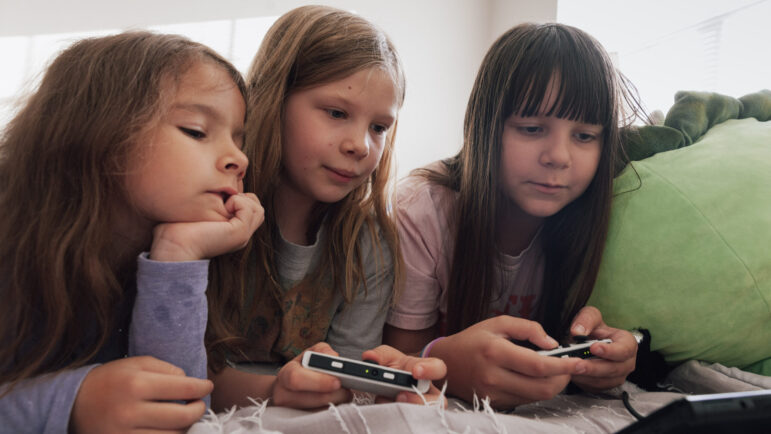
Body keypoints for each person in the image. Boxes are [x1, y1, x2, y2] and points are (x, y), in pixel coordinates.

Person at [0, 31, 264, 433]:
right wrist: (70, 403)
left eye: (237, 139)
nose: (239, 158)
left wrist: (178, 255)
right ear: (99, 132)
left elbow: (180, 407)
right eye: (196, 130)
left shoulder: (161, 250)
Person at [383, 23, 645, 410]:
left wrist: (603, 358)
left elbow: (578, 344)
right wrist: (448, 362)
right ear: (485, 127)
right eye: (532, 128)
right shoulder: (422, 209)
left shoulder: (598, 216)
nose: (558, 156)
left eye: (585, 136)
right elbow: (396, 359)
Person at [207, 5, 445, 411]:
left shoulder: (369, 243)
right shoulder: (210, 211)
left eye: (379, 127)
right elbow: (180, 368)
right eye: (336, 113)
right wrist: (273, 392)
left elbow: (346, 379)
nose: (360, 145)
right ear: (274, 99)